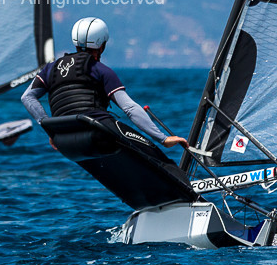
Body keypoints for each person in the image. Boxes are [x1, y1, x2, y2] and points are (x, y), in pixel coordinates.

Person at [22, 17, 190, 173]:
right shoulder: (101, 70)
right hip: (97, 132)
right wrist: (163, 139)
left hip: (65, 141)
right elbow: (130, 108)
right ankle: (186, 190)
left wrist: (52, 131)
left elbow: (27, 97)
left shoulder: (50, 69)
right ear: (102, 45)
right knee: (154, 155)